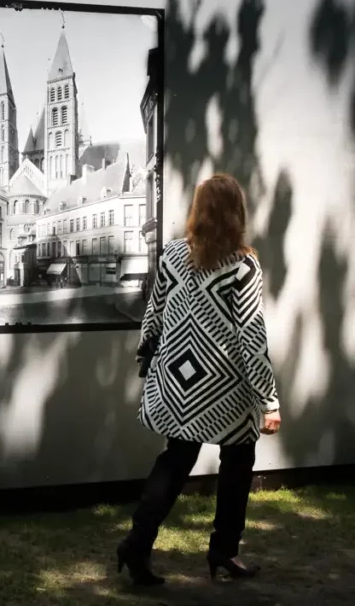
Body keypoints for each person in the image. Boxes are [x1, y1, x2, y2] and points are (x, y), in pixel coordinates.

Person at [117, 173, 281, 586]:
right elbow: (251, 335)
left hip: (178, 382)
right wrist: (269, 399)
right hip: (225, 388)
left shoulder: (172, 254)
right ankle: (224, 552)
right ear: (236, 214)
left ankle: (136, 545)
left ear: (198, 211)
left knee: (175, 460)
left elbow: (153, 314)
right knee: (238, 461)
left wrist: (145, 357)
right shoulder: (242, 266)